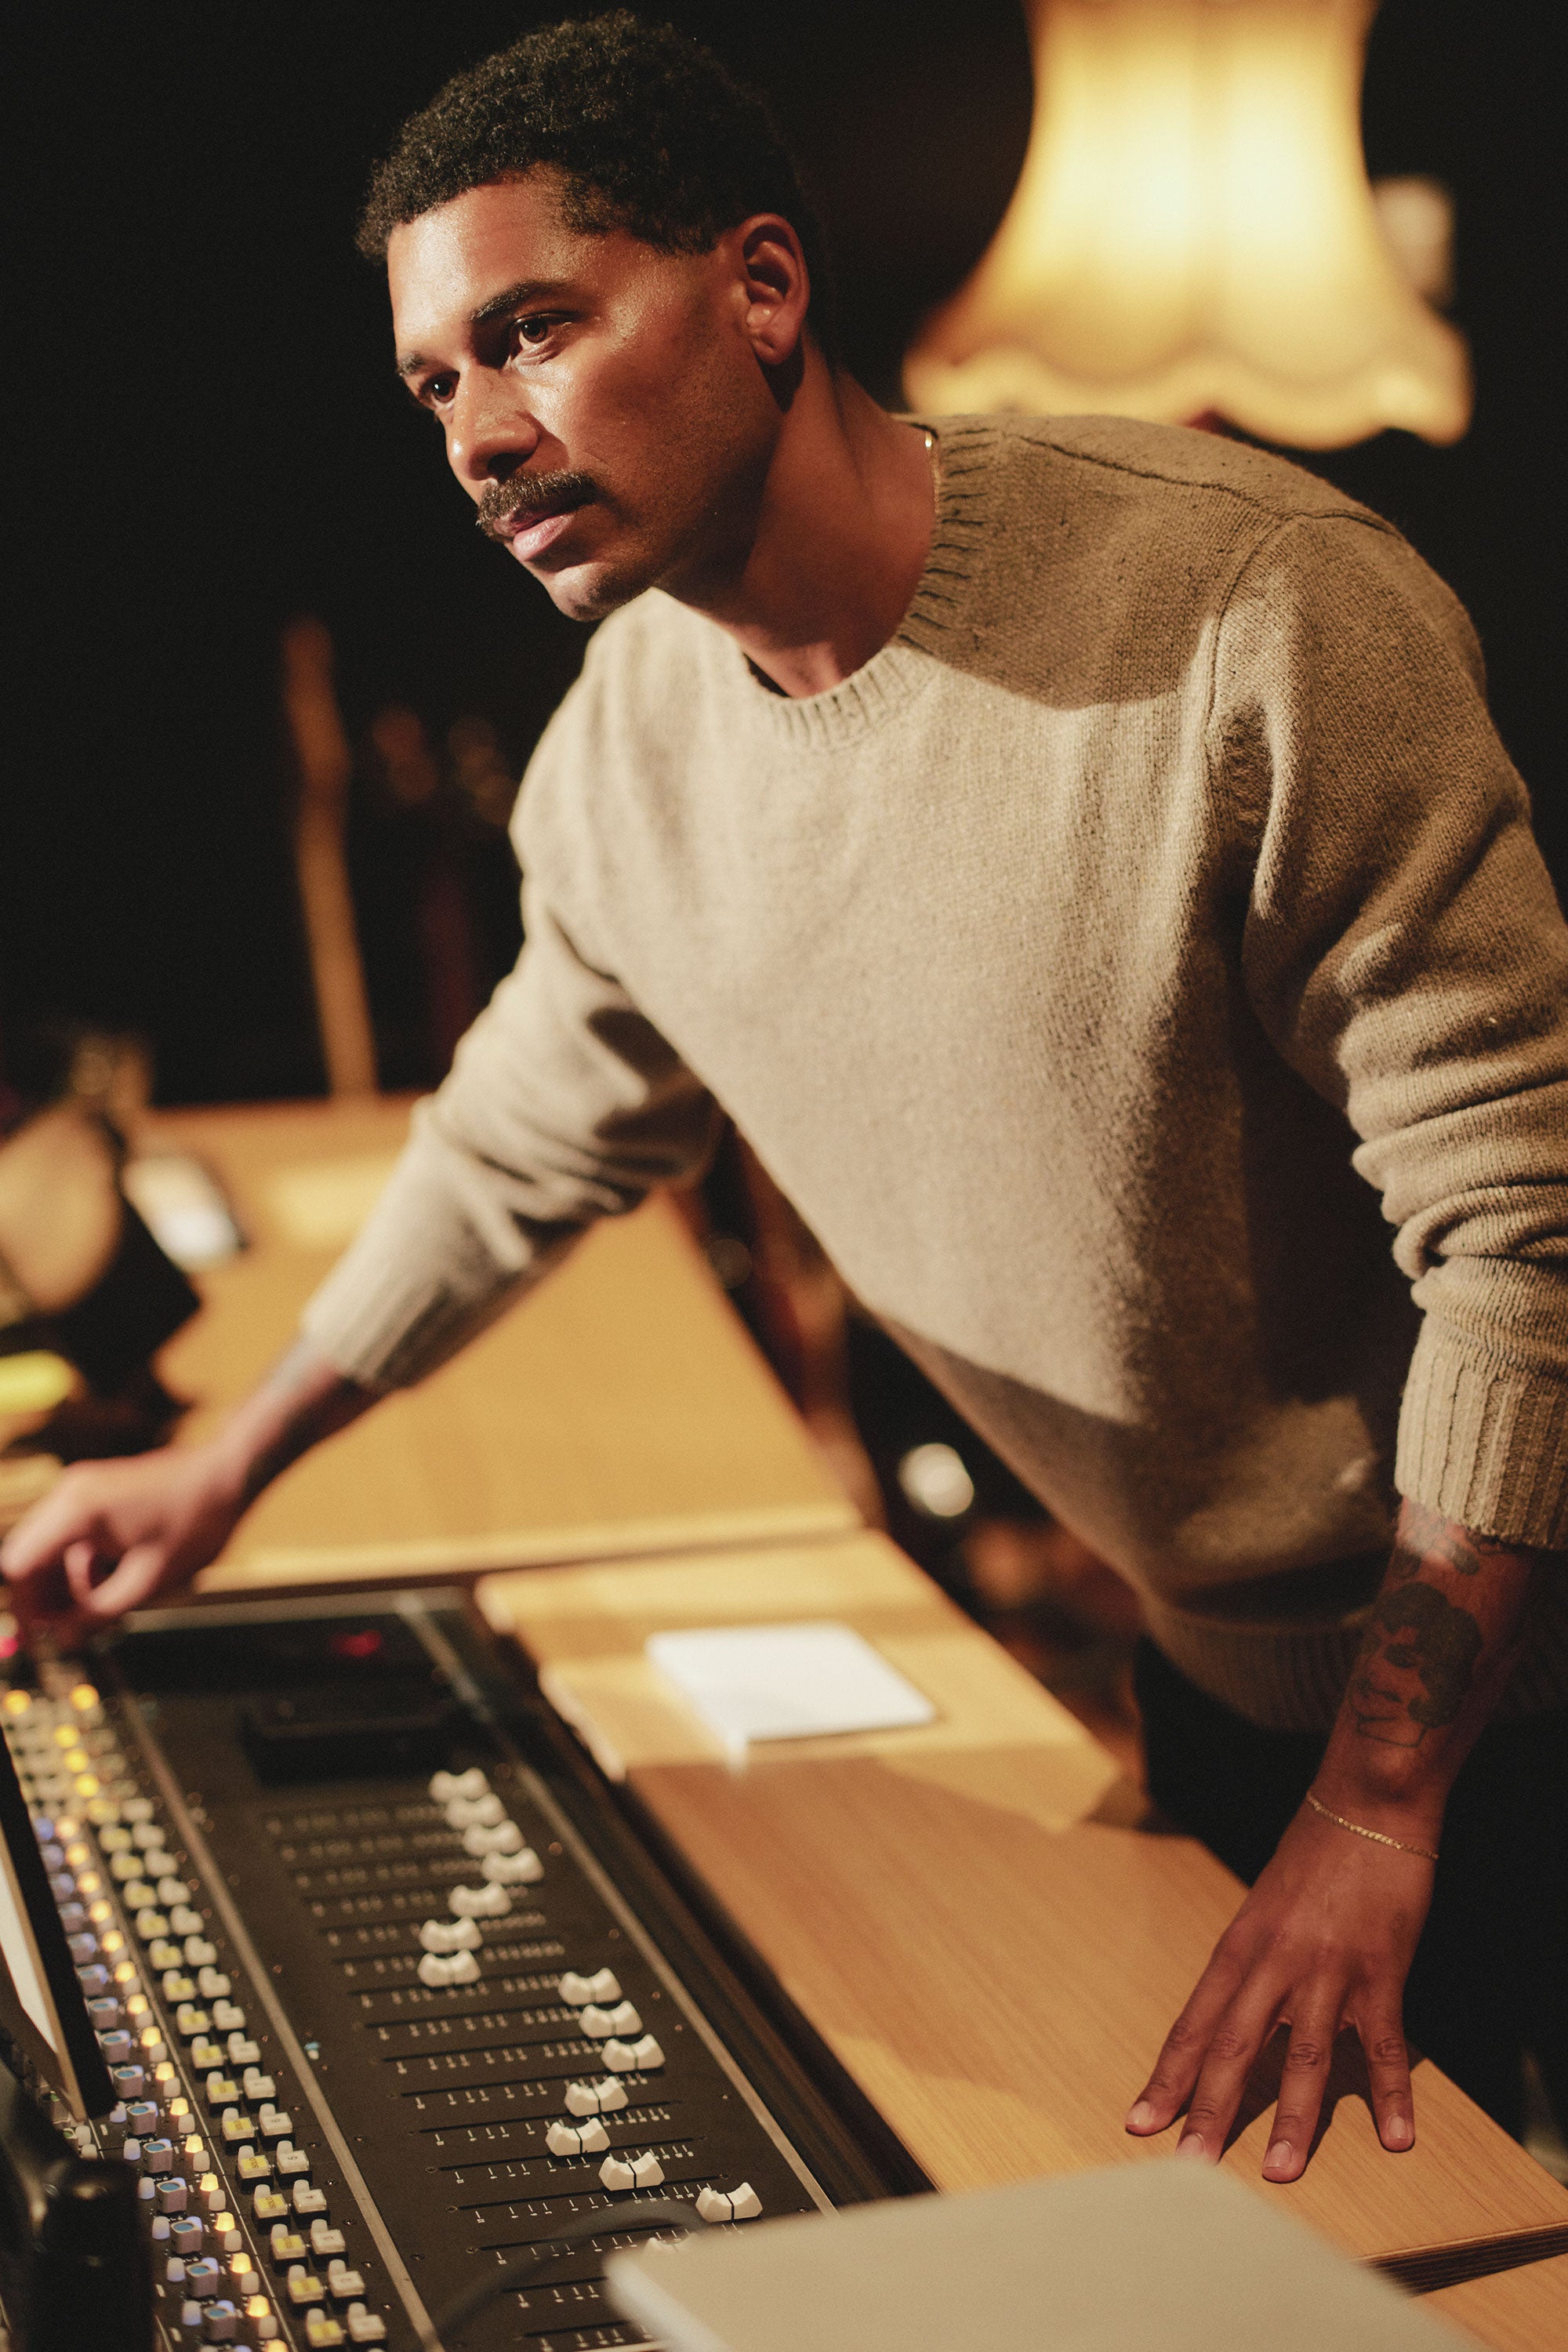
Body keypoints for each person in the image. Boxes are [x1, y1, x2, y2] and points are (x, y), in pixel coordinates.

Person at [6, 12, 1566, 2179]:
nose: (474, 433)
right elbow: (522, 1133)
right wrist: (221, 1469)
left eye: (531, 331)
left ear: (761, 289)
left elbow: (1526, 1237)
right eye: (435, 382)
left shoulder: (1255, 612)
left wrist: (1386, 1803)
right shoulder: (633, 731)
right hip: (1233, 1679)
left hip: (1493, 1674)